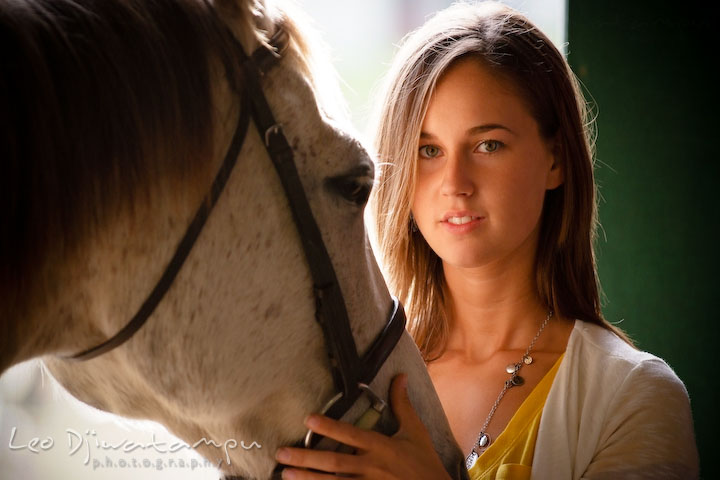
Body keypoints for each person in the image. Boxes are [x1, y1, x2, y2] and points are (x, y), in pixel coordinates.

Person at [274, 2, 699, 478]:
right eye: (428, 150)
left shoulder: (633, 396)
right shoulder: (348, 382)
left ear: (555, 160)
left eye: (487, 145)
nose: (455, 182)